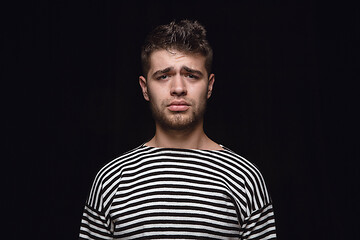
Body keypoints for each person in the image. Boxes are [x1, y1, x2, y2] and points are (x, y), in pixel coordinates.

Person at [79, 20, 277, 240]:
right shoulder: (111, 180)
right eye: (163, 76)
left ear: (209, 86)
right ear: (145, 88)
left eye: (191, 75)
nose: (178, 89)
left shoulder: (245, 178)